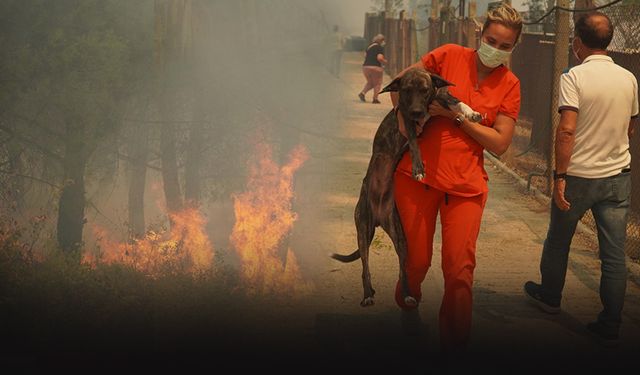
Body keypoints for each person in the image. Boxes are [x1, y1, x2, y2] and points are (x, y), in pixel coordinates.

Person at [389, 4, 523, 353]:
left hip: (466, 188)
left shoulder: (510, 85)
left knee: (459, 272)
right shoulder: (448, 56)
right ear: (481, 35)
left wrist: (457, 118)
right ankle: (409, 301)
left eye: (505, 45)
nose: (496, 48)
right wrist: (405, 125)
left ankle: (454, 348)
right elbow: (400, 82)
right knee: (416, 263)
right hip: (416, 180)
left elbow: (500, 142)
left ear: (514, 47)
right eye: (491, 40)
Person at [524, 12, 638, 346]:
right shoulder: (629, 78)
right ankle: (611, 322)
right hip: (618, 178)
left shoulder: (574, 77)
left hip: (577, 177)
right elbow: (631, 127)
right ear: (610, 40)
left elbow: (567, 129)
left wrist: (560, 177)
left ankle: (549, 297)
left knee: (559, 239)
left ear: (577, 43)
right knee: (614, 255)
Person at [359, 34, 388, 104]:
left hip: (365, 67)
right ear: (381, 41)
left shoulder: (369, 46)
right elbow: (379, 58)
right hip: (376, 67)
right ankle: (375, 99)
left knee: (370, 82)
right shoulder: (379, 48)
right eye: (383, 40)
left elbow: (365, 56)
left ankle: (362, 93)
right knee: (377, 83)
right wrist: (385, 61)